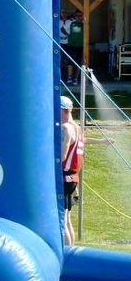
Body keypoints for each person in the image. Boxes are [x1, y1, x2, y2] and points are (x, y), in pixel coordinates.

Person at [60, 95, 84, 245]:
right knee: (67, 218)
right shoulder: (77, 128)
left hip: (64, 177)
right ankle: (72, 250)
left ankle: (67, 253)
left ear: (61, 110)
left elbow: (62, 156)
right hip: (73, 177)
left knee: (62, 219)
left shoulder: (65, 128)